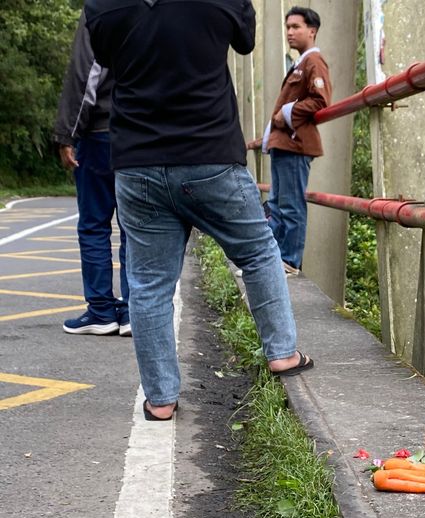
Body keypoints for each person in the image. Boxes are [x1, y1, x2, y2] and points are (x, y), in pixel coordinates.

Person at [85, 0, 313, 421]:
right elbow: (245, 41)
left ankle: (161, 400)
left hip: (137, 163)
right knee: (259, 251)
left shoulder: (102, 4)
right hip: (210, 154)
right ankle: (281, 353)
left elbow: (104, 55)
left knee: (150, 283)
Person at [53, 9, 130, 336]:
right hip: (142, 134)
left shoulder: (99, 9)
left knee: (94, 223)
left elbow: (85, 74)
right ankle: (132, 312)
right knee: (134, 226)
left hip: (101, 131)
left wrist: (66, 133)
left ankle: (101, 310)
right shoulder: (159, 10)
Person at [246, 6, 332, 274]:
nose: (290, 32)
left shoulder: (313, 62)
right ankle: (276, 260)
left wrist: (286, 113)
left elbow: (321, 99)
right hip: (284, 145)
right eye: (287, 27)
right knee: (278, 205)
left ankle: (290, 261)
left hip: (296, 145)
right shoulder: (300, 63)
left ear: (312, 31)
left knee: (291, 205)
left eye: (296, 27)